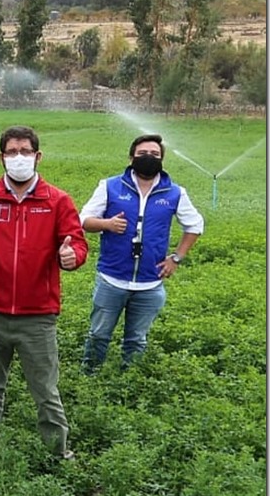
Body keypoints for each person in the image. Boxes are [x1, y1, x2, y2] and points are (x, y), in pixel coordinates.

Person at [0, 126, 86, 459]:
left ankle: (57, 454)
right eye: (12, 152)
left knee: (45, 390)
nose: (18, 158)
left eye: (25, 151)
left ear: (38, 157)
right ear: (1, 158)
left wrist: (72, 256)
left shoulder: (57, 201)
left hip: (37, 316)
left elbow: (76, 242)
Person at [78, 133, 204, 372]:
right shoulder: (111, 186)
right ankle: (89, 377)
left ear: (162, 159)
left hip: (150, 284)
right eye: (143, 154)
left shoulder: (175, 193)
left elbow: (195, 226)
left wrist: (176, 258)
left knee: (136, 340)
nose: (149, 158)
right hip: (111, 279)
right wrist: (106, 224)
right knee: (98, 334)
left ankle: (129, 382)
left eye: (155, 154)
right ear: (131, 157)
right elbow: (83, 219)